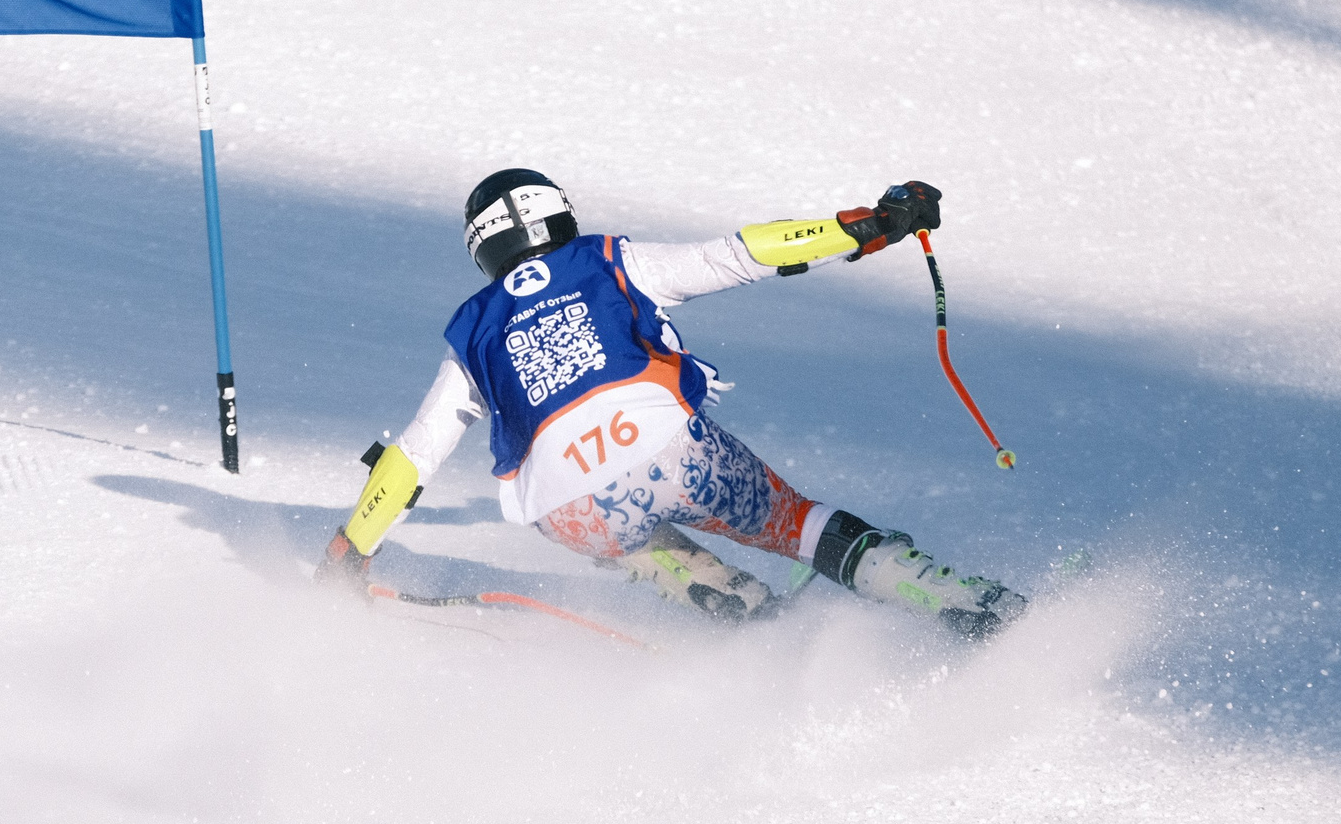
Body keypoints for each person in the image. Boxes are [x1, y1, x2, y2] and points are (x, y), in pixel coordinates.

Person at [317, 169, 1027, 637]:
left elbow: (411, 459)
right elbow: (739, 253)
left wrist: (351, 550)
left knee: (633, 539)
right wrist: (867, 225)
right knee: (800, 527)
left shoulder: (472, 328)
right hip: (669, 452)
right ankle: (971, 607)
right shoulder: (604, 259)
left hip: (565, 506)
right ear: (556, 217)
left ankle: (756, 633)